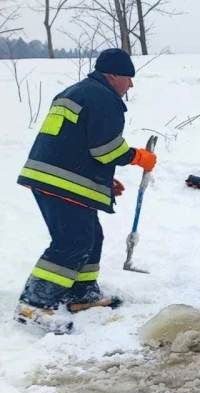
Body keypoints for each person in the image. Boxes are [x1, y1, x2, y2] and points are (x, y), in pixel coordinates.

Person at [14, 48, 158, 332]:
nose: (131, 85)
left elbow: (72, 142)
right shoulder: (104, 98)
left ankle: (82, 294)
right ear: (113, 75)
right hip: (61, 181)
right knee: (73, 241)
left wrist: (100, 180)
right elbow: (106, 149)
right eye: (129, 77)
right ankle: (33, 304)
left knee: (90, 236)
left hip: (54, 176)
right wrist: (139, 157)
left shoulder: (77, 92)